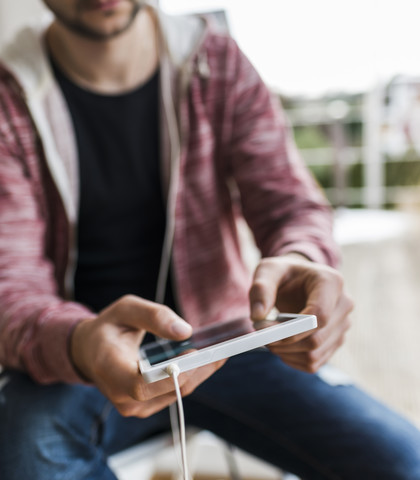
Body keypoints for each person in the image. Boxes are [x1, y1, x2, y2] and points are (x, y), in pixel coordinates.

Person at [0, 1, 419, 479]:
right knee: (29, 463)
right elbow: (10, 286)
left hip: (225, 344)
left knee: (404, 462)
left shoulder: (216, 64)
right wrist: (78, 343)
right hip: (75, 358)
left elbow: (290, 204)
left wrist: (301, 257)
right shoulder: (8, 95)